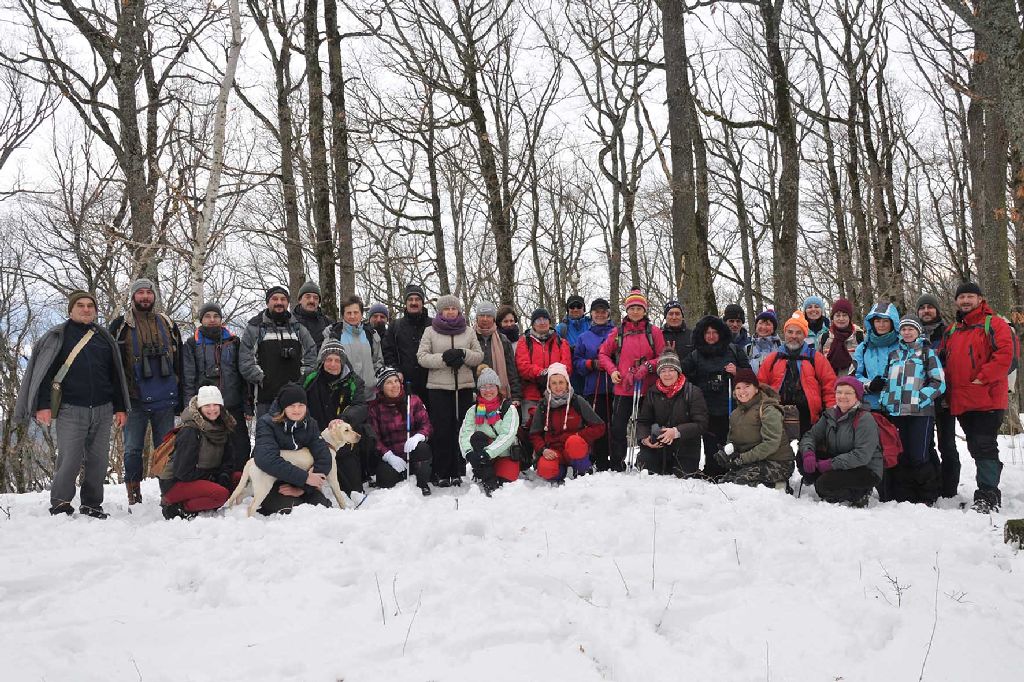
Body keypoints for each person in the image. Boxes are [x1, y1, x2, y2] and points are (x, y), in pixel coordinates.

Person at [15, 290, 129, 518]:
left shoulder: (104, 337)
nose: (86, 309)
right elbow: (45, 374)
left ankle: (92, 504)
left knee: (98, 460)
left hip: (103, 408)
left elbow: (115, 376)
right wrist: (43, 405)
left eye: (90, 306)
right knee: (69, 459)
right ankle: (60, 504)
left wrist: (120, 407)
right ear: (71, 310)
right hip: (71, 408)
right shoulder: (57, 336)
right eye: (80, 305)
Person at [942, 282, 1015, 512]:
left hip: (988, 397)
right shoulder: (952, 329)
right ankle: (988, 486)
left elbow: (1006, 355)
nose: (965, 300)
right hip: (962, 400)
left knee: (984, 445)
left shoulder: (994, 324)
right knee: (975, 446)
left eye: (970, 296)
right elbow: (941, 360)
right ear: (956, 301)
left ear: (980, 299)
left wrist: (982, 378)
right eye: (961, 296)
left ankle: (988, 495)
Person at [109, 278, 183, 505]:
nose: (144, 297)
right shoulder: (120, 326)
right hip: (134, 400)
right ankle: (133, 494)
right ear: (132, 297)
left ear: (154, 296)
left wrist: (181, 398)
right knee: (132, 449)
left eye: (148, 293)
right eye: (140, 293)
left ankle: (167, 492)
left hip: (165, 399)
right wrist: (118, 404)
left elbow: (179, 361)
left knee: (166, 449)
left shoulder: (167, 323)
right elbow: (112, 367)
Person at [417, 294, 484, 487]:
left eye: (454, 308)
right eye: (447, 309)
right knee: (442, 430)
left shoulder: (468, 331)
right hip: (438, 388)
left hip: (463, 387)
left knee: (461, 429)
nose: (450, 311)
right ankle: (442, 471)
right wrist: (443, 358)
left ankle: (459, 470)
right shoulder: (430, 331)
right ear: (440, 311)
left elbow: (479, 356)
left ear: (459, 311)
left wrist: (463, 354)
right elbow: (422, 357)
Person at [597, 288, 666, 471]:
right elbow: (603, 354)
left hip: (647, 387)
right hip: (623, 387)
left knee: (646, 426)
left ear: (645, 310)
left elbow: (662, 356)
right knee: (619, 428)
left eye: (639, 307)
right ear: (627, 310)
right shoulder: (617, 332)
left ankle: (646, 461)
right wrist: (612, 371)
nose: (635, 311)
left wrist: (647, 366)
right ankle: (617, 465)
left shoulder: (654, 332)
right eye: (632, 307)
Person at [879, 318, 945, 505]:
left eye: (911, 329)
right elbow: (886, 380)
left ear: (918, 332)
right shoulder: (894, 355)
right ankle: (905, 494)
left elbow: (939, 382)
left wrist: (920, 398)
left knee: (919, 455)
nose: (907, 332)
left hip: (920, 413)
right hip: (896, 413)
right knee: (901, 454)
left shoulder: (927, 353)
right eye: (904, 329)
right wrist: (885, 399)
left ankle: (928, 495)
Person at [182, 302, 251, 473]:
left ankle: (239, 479)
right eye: (207, 316)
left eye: (216, 316)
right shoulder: (192, 344)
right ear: (201, 320)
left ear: (221, 319)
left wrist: (247, 404)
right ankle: (217, 479)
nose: (212, 320)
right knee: (213, 446)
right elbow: (188, 378)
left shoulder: (233, 342)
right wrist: (189, 407)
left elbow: (243, 376)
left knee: (241, 445)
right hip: (207, 408)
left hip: (232, 403)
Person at [680, 314, 749, 479]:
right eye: (707, 333)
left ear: (721, 333)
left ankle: (732, 469)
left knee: (730, 440)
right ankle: (712, 470)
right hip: (705, 406)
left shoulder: (733, 350)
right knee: (710, 442)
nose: (711, 336)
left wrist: (737, 372)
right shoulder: (696, 355)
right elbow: (681, 373)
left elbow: (750, 377)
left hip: (731, 406)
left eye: (714, 332)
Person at [800, 377, 884, 506]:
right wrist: (808, 454)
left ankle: (861, 492)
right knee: (802, 456)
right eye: (839, 392)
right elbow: (810, 436)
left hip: (865, 469)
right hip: (840, 461)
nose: (842, 396)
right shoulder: (830, 415)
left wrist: (831, 464)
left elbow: (862, 456)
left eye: (848, 393)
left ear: (857, 396)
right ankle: (830, 482)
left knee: (824, 485)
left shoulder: (865, 419)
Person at [251, 383, 333, 515]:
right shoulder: (267, 423)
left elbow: (324, 457)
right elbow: (265, 459)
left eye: (301, 405)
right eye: (292, 406)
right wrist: (304, 477)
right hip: (271, 481)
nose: (297, 410)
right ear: (283, 407)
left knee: (322, 508)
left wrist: (304, 487)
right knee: (296, 511)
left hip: (301, 484)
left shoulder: (310, 424)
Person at [158, 386, 237, 520]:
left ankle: (205, 499)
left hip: (205, 476)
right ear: (200, 407)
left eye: (215, 405)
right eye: (207, 405)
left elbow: (227, 460)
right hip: (177, 482)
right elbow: (182, 472)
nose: (212, 409)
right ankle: (177, 508)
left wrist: (223, 475)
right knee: (220, 494)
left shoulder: (223, 426)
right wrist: (212, 477)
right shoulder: (190, 431)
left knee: (238, 478)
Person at [303, 340, 369, 497]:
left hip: (343, 443)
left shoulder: (355, 381)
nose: (333, 364)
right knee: (309, 492)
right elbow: (293, 397)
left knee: (354, 491)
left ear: (343, 362)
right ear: (323, 360)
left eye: (337, 360)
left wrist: (343, 419)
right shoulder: (310, 378)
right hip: (315, 442)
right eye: (329, 360)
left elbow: (361, 406)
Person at [757, 310, 837, 441]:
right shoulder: (772, 359)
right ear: (785, 333)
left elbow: (829, 387)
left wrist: (831, 413)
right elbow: (760, 387)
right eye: (790, 332)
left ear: (805, 335)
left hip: (809, 418)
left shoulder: (816, 358)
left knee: (806, 454)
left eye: (798, 332)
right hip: (777, 417)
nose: (793, 336)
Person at [240, 285, 317, 418]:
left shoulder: (298, 328)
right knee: (267, 436)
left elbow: (311, 354)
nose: (279, 302)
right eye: (275, 299)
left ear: (288, 302)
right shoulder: (255, 328)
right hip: (266, 398)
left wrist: (302, 379)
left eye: (283, 299)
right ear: (267, 302)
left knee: (296, 437)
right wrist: (263, 379)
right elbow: (245, 360)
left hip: (295, 399)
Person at [713, 369, 794, 488]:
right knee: (725, 483)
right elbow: (733, 441)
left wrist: (742, 459)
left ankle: (778, 486)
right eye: (738, 388)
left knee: (740, 483)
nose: (742, 391)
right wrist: (726, 453)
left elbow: (771, 443)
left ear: (756, 388)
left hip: (778, 462)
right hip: (753, 462)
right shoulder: (735, 414)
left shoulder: (768, 409)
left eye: (747, 386)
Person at [634, 350, 709, 476]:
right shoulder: (652, 392)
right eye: (663, 371)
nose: (667, 374)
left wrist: (676, 432)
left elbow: (701, 424)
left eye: (671, 370)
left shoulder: (693, 392)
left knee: (683, 477)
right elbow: (643, 421)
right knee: (649, 473)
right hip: (658, 447)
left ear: (678, 371)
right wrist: (644, 438)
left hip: (685, 448)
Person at [528, 363, 605, 482]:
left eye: (561, 382)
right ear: (549, 384)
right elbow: (534, 434)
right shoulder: (543, 405)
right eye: (554, 383)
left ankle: (582, 469)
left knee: (574, 442)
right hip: (554, 452)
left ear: (567, 383)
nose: (558, 386)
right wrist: (543, 450)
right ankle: (561, 472)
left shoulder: (577, 401)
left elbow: (599, 427)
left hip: (574, 449)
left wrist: (580, 436)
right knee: (546, 470)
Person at [917, 293, 958, 497]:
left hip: (944, 399)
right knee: (925, 443)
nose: (926, 311)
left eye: (930, 307)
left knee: (947, 444)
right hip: (920, 399)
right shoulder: (912, 334)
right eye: (922, 308)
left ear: (937, 310)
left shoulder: (949, 332)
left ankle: (949, 489)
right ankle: (933, 482)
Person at [368, 366, 433, 495]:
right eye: (389, 382)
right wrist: (389, 456)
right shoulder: (375, 408)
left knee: (423, 449)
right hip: (393, 456)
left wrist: (418, 437)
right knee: (385, 479)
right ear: (381, 387)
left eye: (396, 381)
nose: (394, 385)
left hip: (412, 452)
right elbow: (375, 438)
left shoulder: (412, 401)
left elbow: (427, 426)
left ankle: (421, 483)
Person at [459, 367, 521, 495]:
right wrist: (469, 453)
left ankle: (490, 470)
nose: (488, 390)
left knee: (507, 479)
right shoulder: (473, 410)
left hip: (504, 453)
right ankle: (488, 479)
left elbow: (507, 435)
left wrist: (488, 453)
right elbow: (465, 434)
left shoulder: (508, 408)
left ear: (498, 388)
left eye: (491, 386)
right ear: (479, 390)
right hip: (482, 452)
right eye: (483, 387)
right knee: (477, 437)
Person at [573, 298, 616, 471]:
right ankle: (598, 458)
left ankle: (616, 458)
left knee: (614, 424)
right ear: (591, 314)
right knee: (597, 425)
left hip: (615, 386)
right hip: (593, 387)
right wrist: (591, 364)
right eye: (596, 311)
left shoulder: (616, 332)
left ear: (608, 313)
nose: (600, 314)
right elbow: (577, 362)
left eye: (603, 311)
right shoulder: (584, 337)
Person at [516, 307, 573, 424]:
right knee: (530, 428)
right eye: (538, 320)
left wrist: (551, 374)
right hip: (531, 394)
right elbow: (523, 366)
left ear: (550, 322)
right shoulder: (524, 342)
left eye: (545, 319)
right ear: (533, 324)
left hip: (557, 394)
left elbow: (567, 367)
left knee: (556, 428)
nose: (542, 323)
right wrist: (542, 373)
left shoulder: (561, 342)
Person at [327, 295, 384, 402]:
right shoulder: (334, 334)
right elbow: (324, 363)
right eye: (349, 313)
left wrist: (375, 381)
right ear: (343, 315)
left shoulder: (371, 335)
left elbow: (378, 362)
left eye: (356, 312)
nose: (352, 316)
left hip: (369, 395)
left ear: (361, 314)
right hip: (342, 395)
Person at [384, 284, 432, 406]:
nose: (414, 302)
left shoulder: (434, 324)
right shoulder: (395, 326)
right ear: (406, 303)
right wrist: (396, 371)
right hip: (405, 383)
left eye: (417, 299)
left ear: (422, 302)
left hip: (431, 382)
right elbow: (388, 351)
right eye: (410, 299)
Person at [852, 302, 902, 412]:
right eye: (877, 321)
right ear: (872, 323)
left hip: (898, 406)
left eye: (885, 321)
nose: (881, 325)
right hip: (870, 406)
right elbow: (854, 375)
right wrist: (868, 385)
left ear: (893, 323)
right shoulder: (863, 347)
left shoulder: (903, 346)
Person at [473, 301, 522, 403]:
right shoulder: (469, 338)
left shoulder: (503, 340)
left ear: (494, 319)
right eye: (482, 315)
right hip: (475, 394)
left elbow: (511, 370)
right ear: (477, 318)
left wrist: (516, 396)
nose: (485, 319)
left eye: (489, 316)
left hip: (499, 395)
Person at [817, 298, 863, 377]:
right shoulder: (824, 338)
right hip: (830, 384)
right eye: (837, 315)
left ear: (849, 317)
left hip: (854, 385)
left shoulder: (859, 337)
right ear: (833, 317)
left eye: (844, 315)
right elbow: (818, 365)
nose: (841, 318)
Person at [556, 294, 591, 394]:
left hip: (590, 372)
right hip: (570, 375)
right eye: (572, 306)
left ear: (584, 308)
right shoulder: (560, 329)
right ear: (568, 309)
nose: (575, 309)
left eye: (579, 306)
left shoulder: (592, 324)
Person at [292, 281, 334, 348]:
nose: (312, 301)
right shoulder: (290, 321)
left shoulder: (328, 323)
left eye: (316, 298)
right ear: (300, 300)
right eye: (308, 297)